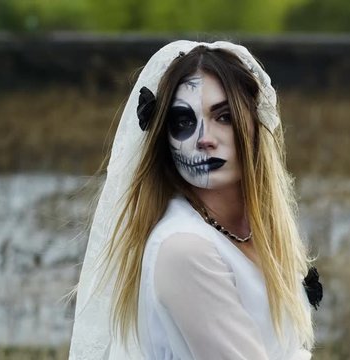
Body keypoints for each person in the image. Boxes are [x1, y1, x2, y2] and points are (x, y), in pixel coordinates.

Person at [68, 40, 322, 360]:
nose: (204, 138)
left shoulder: (255, 233)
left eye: (224, 117)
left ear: (256, 125)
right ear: (164, 138)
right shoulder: (184, 248)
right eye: (184, 122)